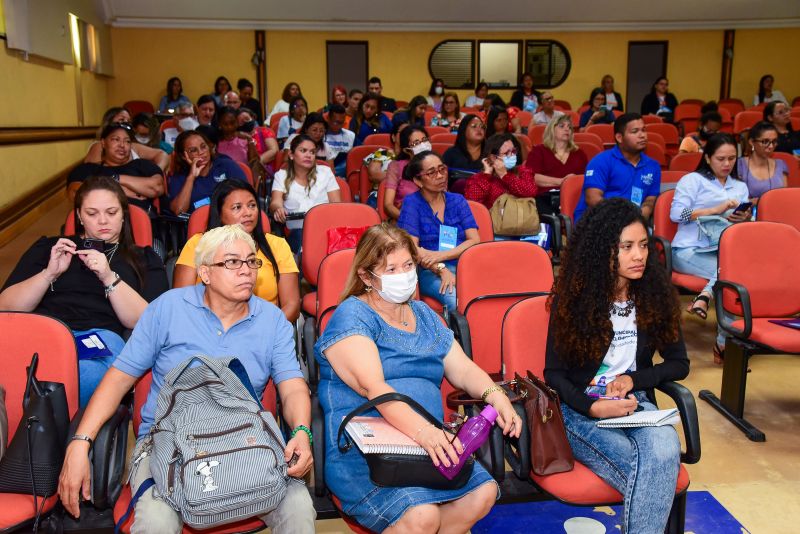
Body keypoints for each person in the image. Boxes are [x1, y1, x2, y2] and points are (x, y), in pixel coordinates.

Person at [57, 225, 316, 532]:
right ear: (204, 273)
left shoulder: (272, 320)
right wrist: (80, 442)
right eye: (232, 262)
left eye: (251, 261)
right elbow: (118, 379)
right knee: (157, 519)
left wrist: (301, 431)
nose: (246, 271)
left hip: (244, 440)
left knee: (298, 505)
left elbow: (292, 387)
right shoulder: (167, 309)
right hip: (167, 444)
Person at [314, 224, 520, 533]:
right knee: (423, 516)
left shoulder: (424, 314)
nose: (404, 275)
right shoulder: (352, 315)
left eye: (408, 265)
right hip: (367, 455)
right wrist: (425, 434)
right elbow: (376, 389)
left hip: (426, 448)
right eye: (391, 269)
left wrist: (496, 394)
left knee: (483, 493)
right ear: (367, 277)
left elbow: (462, 369)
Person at [545, 197, 688, 534]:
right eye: (626, 247)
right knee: (657, 470)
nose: (639, 255)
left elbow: (679, 363)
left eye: (643, 245)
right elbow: (554, 374)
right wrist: (591, 407)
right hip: (581, 410)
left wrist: (632, 378)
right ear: (602, 251)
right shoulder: (574, 300)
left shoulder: (654, 295)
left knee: (665, 449)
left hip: (635, 405)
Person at [0, 176, 168, 406]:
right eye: (92, 213)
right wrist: (48, 274)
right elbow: (6, 307)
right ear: (78, 215)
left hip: (98, 339)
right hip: (44, 333)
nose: (102, 221)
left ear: (123, 214)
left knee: (80, 375)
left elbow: (148, 320)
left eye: (111, 212)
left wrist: (109, 277)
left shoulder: (144, 258)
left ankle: (36, 420)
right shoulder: (50, 248)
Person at [669, 133, 750, 363]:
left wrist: (741, 218)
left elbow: (744, 227)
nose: (727, 164)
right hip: (688, 250)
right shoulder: (692, 181)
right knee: (730, 275)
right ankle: (724, 344)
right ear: (707, 158)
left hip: (723, 251)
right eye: (721, 158)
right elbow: (677, 214)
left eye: (732, 159)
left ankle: (705, 296)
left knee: (734, 273)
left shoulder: (740, 186)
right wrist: (716, 209)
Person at [174, 180, 299, 321]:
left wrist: (267, 330)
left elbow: (292, 305)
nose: (248, 213)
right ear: (219, 213)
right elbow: (180, 303)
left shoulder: (277, 245)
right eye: (237, 207)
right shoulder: (198, 244)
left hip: (263, 331)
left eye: (252, 205)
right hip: (206, 330)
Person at [397, 151, 480, 311]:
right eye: (432, 172)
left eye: (442, 169)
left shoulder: (458, 200)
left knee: (488, 292)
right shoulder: (412, 203)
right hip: (429, 270)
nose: (441, 176)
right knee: (456, 299)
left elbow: (474, 240)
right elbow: (412, 249)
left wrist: (441, 255)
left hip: (466, 265)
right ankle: (459, 336)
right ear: (418, 180)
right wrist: (441, 268)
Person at [573, 113, 661, 222]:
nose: (642, 135)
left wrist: (640, 218)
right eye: (635, 131)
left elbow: (649, 201)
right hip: (598, 221)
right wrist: (621, 219)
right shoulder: (601, 161)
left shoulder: (653, 166)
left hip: (633, 224)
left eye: (643, 130)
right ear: (619, 137)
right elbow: (593, 199)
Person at [69, 123, 165, 214]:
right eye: (116, 139)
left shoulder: (143, 165)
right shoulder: (87, 169)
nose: (122, 145)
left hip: (142, 222)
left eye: (127, 141)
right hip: (100, 223)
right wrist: (128, 190)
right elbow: (76, 195)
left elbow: (157, 187)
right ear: (103, 143)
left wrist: (115, 178)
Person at [270, 135, 342, 253]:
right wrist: (278, 209)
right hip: (297, 230)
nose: (309, 155)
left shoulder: (325, 172)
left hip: (325, 227)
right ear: (291, 155)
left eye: (312, 152)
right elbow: (275, 202)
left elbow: (337, 205)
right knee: (302, 237)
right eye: (303, 151)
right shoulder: (281, 175)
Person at [168, 130, 248, 215]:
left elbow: (247, 196)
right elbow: (179, 211)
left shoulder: (226, 165)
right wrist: (191, 177)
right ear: (184, 156)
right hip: (197, 225)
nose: (201, 152)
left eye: (203, 147)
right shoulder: (180, 177)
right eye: (193, 150)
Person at [525, 114, 589, 215]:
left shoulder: (579, 154)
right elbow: (531, 177)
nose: (567, 129)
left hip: (574, 198)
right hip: (545, 199)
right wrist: (563, 182)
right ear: (551, 129)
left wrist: (571, 184)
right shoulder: (539, 151)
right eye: (561, 126)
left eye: (569, 127)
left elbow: (586, 179)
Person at [464, 133, 538, 211]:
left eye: (513, 151)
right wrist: (486, 175)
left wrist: (505, 175)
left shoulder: (523, 171)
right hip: (492, 221)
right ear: (493, 157)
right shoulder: (480, 178)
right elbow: (472, 205)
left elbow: (531, 192)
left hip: (521, 220)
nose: (512, 155)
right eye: (507, 153)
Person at [85, 107, 169, 173]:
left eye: (128, 121)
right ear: (109, 123)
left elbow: (162, 155)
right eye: (121, 120)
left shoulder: (132, 145)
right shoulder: (99, 145)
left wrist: (155, 173)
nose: (125, 123)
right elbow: (95, 177)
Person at [383, 125, 428, 220]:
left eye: (424, 140)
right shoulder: (396, 166)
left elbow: (442, 200)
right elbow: (388, 205)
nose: (423, 145)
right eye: (416, 143)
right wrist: (408, 220)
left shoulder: (438, 165)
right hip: (405, 221)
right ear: (407, 150)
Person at [737, 121, 787, 202]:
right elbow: (735, 199)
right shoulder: (740, 165)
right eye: (765, 142)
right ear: (752, 142)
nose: (770, 146)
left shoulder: (781, 164)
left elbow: (784, 197)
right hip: (749, 212)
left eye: (774, 142)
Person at [443, 114, 487, 182]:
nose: (479, 129)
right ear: (463, 130)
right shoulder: (450, 154)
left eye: (482, 126)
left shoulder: (490, 153)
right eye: (474, 126)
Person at [325, 104, 356, 177]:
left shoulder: (350, 135)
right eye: (336, 122)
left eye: (341, 123)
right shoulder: (320, 134)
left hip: (345, 174)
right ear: (328, 118)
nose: (338, 125)